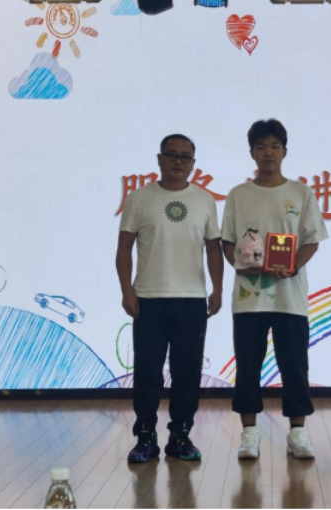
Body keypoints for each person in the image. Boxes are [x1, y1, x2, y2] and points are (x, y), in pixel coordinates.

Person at [221, 119, 329, 461]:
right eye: (261, 147)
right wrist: (241, 264)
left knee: (295, 366)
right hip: (248, 299)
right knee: (248, 366)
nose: (268, 153)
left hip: (289, 298)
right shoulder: (238, 195)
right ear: (252, 153)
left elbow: (312, 240)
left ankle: (297, 433)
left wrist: (293, 265)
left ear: (284, 151)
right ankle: (249, 433)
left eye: (274, 146)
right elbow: (227, 241)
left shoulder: (301, 193)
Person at [117, 134, 224, 464]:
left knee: (187, 372)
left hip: (191, 300)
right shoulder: (139, 199)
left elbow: (214, 249)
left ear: (193, 163)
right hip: (149, 298)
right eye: (172, 155)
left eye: (185, 157)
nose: (178, 161)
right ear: (159, 159)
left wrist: (217, 289)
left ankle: (180, 436)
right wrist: (127, 290)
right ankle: (145, 438)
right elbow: (124, 248)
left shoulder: (205, 200)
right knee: (147, 372)